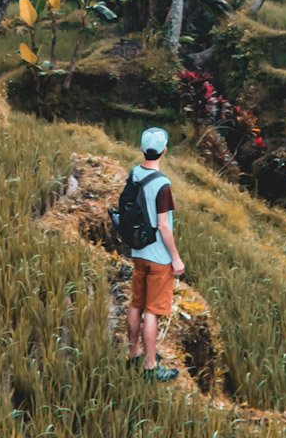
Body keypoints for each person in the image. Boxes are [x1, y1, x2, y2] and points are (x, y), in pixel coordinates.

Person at [125, 126, 183, 382]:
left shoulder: (134, 174)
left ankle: (134, 354)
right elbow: (163, 225)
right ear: (164, 151)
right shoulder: (163, 185)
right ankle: (150, 367)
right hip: (159, 257)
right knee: (152, 311)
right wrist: (176, 258)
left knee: (136, 303)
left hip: (138, 250)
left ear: (141, 149)